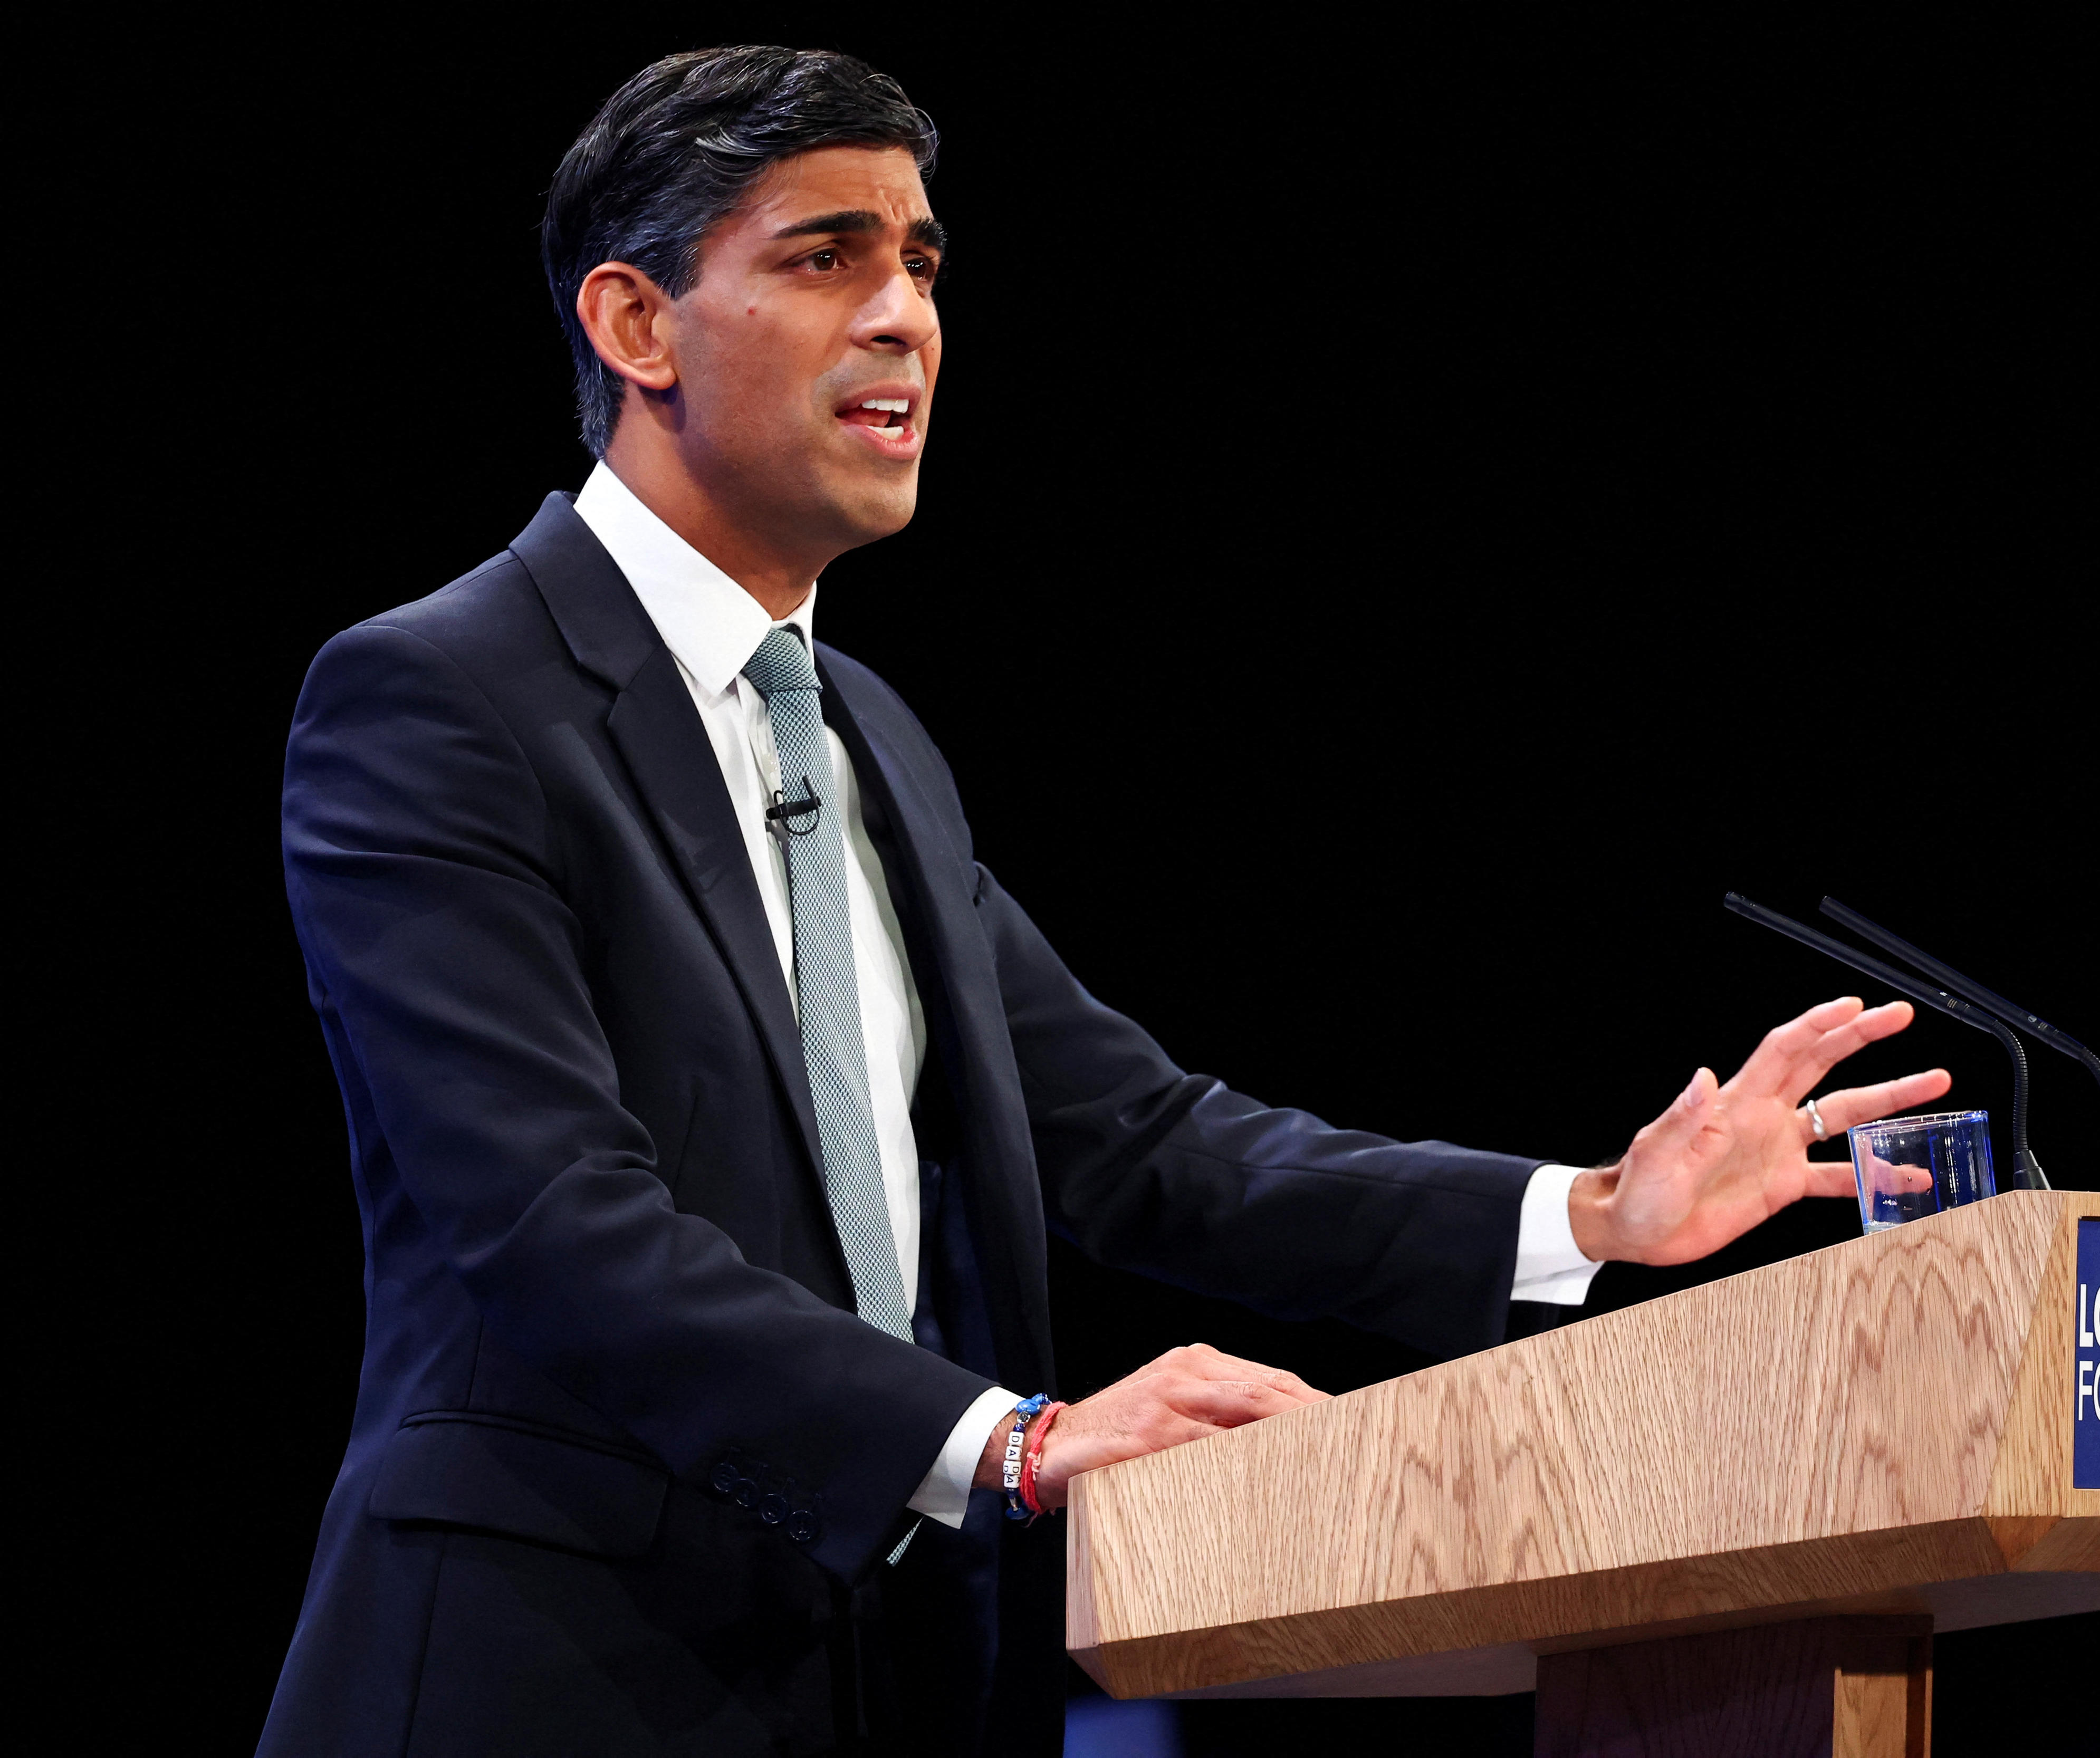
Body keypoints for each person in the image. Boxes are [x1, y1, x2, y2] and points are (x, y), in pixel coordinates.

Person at [260, 45, 1950, 1758]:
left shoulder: (870, 743)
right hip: (542, 1678)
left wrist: (1587, 1213)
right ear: (635, 326)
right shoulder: (440, 700)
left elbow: (1144, 1142)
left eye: (921, 263)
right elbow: (552, 1226)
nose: (905, 317)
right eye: (823, 256)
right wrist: (1008, 1438)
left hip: (894, 1676)